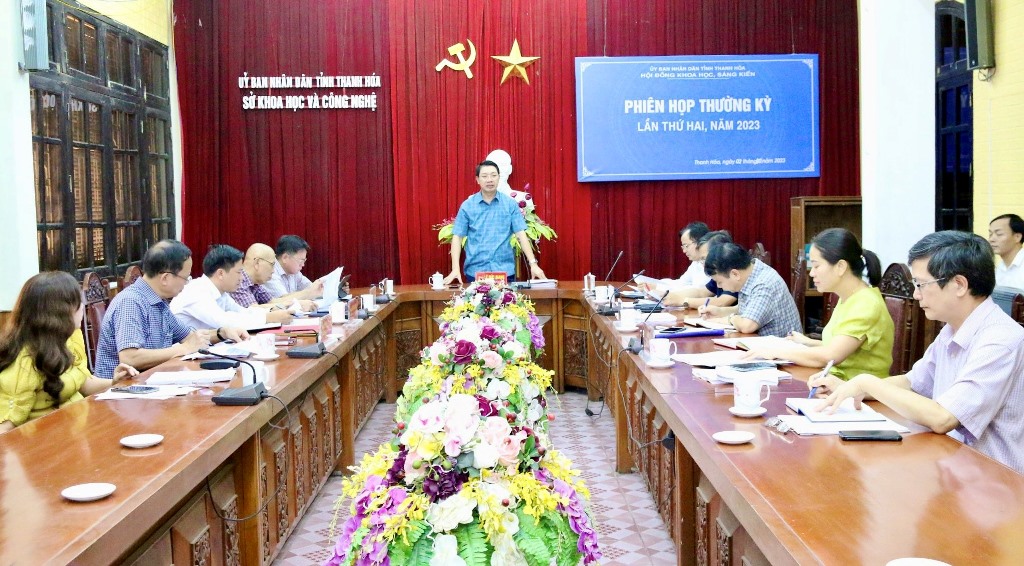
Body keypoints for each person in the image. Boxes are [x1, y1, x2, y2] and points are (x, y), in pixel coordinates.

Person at [813, 231, 1024, 474]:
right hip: (952, 463)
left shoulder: (1000, 340)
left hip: (994, 479)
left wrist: (867, 382)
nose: (915, 294)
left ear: (959, 285)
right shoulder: (952, 329)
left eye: (921, 284)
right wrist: (849, 388)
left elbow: (944, 417)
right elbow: (912, 383)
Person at [745, 228, 894, 379]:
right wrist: (808, 342)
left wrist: (776, 352)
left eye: (816, 266)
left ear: (840, 267)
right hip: (834, 381)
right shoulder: (848, 297)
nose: (811, 273)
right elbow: (841, 345)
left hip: (856, 389)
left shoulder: (865, 304)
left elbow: (831, 355)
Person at [0, 272, 139, 431]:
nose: (83, 307)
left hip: (78, 429)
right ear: (61, 312)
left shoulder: (70, 338)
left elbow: (83, 384)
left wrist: (115, 382)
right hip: (49, 440)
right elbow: (5, 428)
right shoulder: (26, 361)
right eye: (78, 303)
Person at [94, 240, 248, 378]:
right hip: (121, 391)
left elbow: (191, 338)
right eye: (185, 278)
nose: (186, 284)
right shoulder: (131, 302)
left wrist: (222, 333)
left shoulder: (159, 302)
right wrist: (183, 349)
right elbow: (129, 358)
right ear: (165, 278)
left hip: (150, 383)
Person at [443, 160, 546, 285]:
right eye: (484, 176)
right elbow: (457, 237)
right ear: (477, 179)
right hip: (475, 272)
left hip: (505, 272)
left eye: (493, 175)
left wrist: (533, 264)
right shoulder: (467, 206)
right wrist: (455, 269)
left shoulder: (510, 204)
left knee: (507, 299)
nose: (489, 180)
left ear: (499, 177)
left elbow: (521, 234)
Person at [701, 242, 802, 337]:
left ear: (735, 274)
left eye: (719, 282)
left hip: (780, 348)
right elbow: (748, 309)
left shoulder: (764, 284)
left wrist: (730, 319)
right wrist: (720, 311)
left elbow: (747, 326)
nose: (719, 286)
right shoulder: (751, 273)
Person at [171, 244, 278, 329]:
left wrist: (272, 313)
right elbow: (224, 322)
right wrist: (267, 318)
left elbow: (241, 311)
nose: (241, 278)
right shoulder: (196, 291)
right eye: (238, 272)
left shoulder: (221, 293)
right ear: (221, 273)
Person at [228, 243, 314, 317]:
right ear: (257, 263)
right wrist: (292, 304)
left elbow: (272, 301)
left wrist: (296, 303)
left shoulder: (256, 283)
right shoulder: (238, 280)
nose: (273, 271)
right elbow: (253, 310)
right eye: (272, 265)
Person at [659, 231, 739, 307]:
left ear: (718, 253)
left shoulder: (733, 271)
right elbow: (702, 292)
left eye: (704, 259)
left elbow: (722, 302)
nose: (702, 264)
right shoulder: (718, 273)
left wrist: (683, 301)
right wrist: (671, 296)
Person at [264, 235, 325, 300]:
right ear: (285, 258)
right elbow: (283, 300)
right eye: (301, 261)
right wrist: (310, 292)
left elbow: (310, 287)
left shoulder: (294, 272)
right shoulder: (270, 272)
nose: (303, 265)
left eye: (304, 261)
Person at [988, 213, 1024, 288]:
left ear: (1017, 237)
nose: (991, 239)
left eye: (999, 234)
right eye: (990, 234)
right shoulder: (1000, 267)